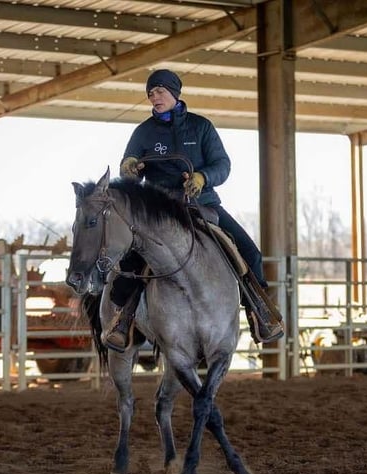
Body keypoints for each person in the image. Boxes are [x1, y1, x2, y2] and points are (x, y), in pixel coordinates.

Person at [102, 68, 284, 352]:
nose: (154, 98)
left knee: (250, 252)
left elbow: (222, 165)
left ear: (175, 94)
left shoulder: (202, 127)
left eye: (160, 92)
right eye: (150, 93)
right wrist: (129, 168)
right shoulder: (143, 132)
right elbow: (129, 165)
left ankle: (260, 312)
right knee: (130, 262)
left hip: (203, 204)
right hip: (159, 213)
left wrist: (202, 178)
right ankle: (122, 320)